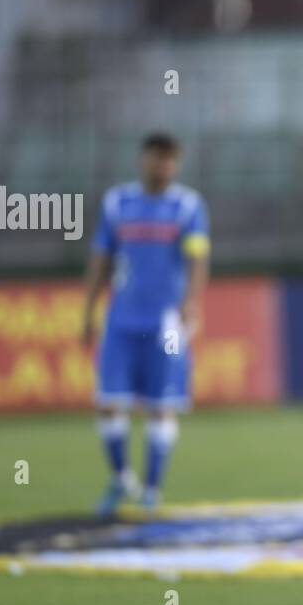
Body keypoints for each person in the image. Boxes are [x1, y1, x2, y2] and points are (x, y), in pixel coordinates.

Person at [80, 133, 210, 515]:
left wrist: (191, 303)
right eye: (157, 158)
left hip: (165, 323)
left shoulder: (187, 206)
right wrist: (89, 309)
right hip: (120, 319)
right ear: (143, 160)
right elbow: (100, 258)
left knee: (162, 405)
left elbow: (198, 259)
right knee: (109, 403)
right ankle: (121, 477)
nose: (164, 166)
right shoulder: (118, 203)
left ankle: (152, 488)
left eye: (171, 160)